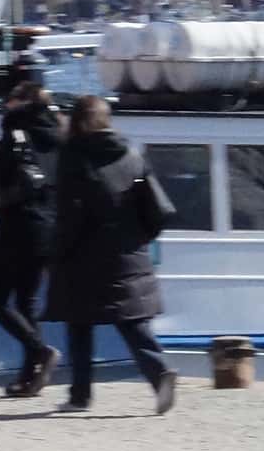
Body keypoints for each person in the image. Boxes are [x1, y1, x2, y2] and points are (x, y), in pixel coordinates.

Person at [43, 95, 175, 416]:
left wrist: (55, 252)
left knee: (79, 325)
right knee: (132, 322)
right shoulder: (132, 156)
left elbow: (70, 213)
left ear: (79, 122)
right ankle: (159, 373)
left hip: (84, 257)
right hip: (129, 252)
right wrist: (137, 238)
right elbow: (156, 208)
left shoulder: (74, 157)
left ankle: (80, 394)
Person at [0, 82, 62, 396]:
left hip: (16, 228)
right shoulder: (58, 138)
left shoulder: (15, 134)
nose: (4, 105)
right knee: (26, 303)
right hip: (48, 229)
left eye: (9, 100)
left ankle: (40, 351)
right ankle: (30, 376)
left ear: (20, 103)